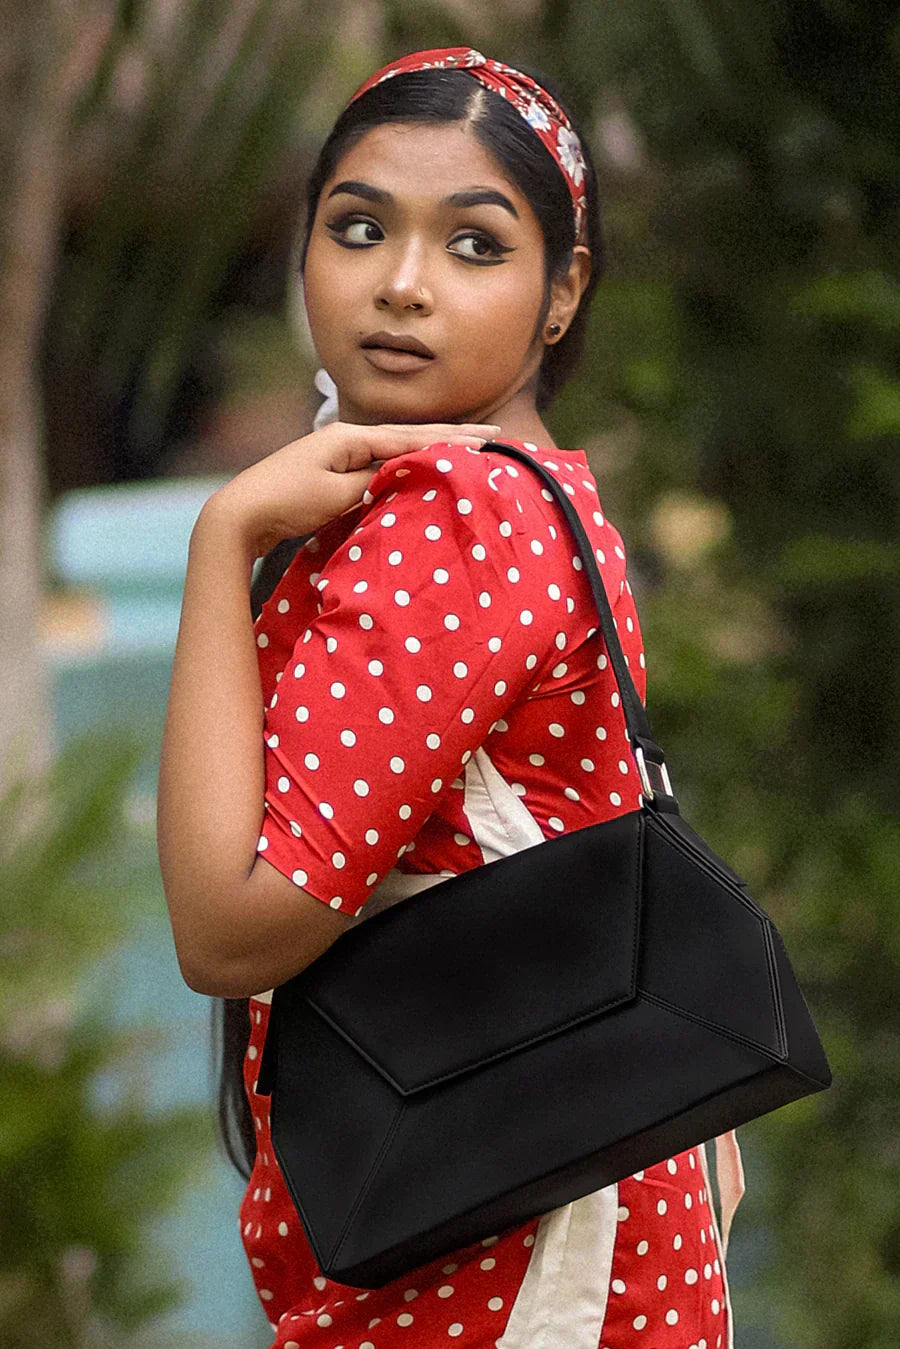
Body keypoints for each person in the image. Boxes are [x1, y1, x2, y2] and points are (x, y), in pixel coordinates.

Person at [157, 46, 744, 1349]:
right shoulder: (530, 493)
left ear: (562, 291)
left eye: (475, 245)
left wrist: (219, 537)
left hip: (504, 1270)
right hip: (544, 1222)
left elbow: (227, 931)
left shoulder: (460, 519)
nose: (403, 285)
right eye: (359, 228)